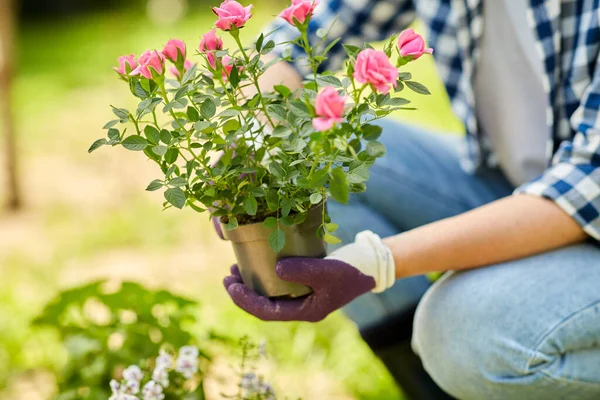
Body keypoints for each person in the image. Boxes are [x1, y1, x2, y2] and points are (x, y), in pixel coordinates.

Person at [222, 1, 600, 399]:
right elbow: (297, 43)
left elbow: (587, 185)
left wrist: (375, 263)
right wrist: (252, 154)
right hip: (516, 185)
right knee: (324, 155)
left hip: (585, 214)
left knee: (462, 334)